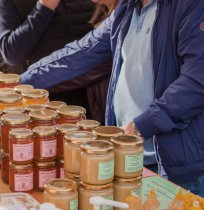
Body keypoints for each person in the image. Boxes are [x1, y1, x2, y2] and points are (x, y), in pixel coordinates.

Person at [21, 0, 204, 197]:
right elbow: (82, 52)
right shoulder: (127, 8)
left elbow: (195, 83)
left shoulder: (191, 5)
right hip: (130, 160)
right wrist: (21, 82)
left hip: (178, 169)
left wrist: (140, 126)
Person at [0, 0, 111, 121]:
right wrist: (45, 8)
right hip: (35, 102)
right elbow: (11, 54)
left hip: (84, 100)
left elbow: (93, 45)